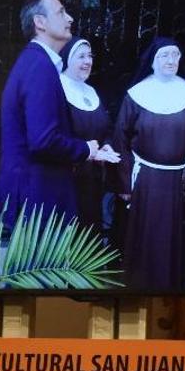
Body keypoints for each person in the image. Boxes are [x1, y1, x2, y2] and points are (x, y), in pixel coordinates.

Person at [0, 0, 118, 229]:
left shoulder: (35, 62)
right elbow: (43, 140)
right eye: (61, 12)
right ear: (40, 22)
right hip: (37, 198)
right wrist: (85, 149)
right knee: (42, 267)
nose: (69, 18)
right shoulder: (40, 66)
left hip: (35, 195)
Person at [113, 37, 185, 290]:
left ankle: (173, 283)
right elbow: (121, 140)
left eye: (175, 55)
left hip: (180, 179)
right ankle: (141, 284)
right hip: (146, 178)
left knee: (174, 235)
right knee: (147, 233)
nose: (171, 61)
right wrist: (124, 182)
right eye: (165, 56)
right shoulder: (136, 95)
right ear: (153, 61)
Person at [58, 36, 115, 240]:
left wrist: (107, 146)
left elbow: (106, 130)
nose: (87, 61)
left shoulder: (91, 91)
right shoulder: (56, 89)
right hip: (65, 179)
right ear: (67, 58)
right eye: (81, 56)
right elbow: (54, 137)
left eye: (90, 56)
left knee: (89, 236)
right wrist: (88, 152)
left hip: (92, 180)